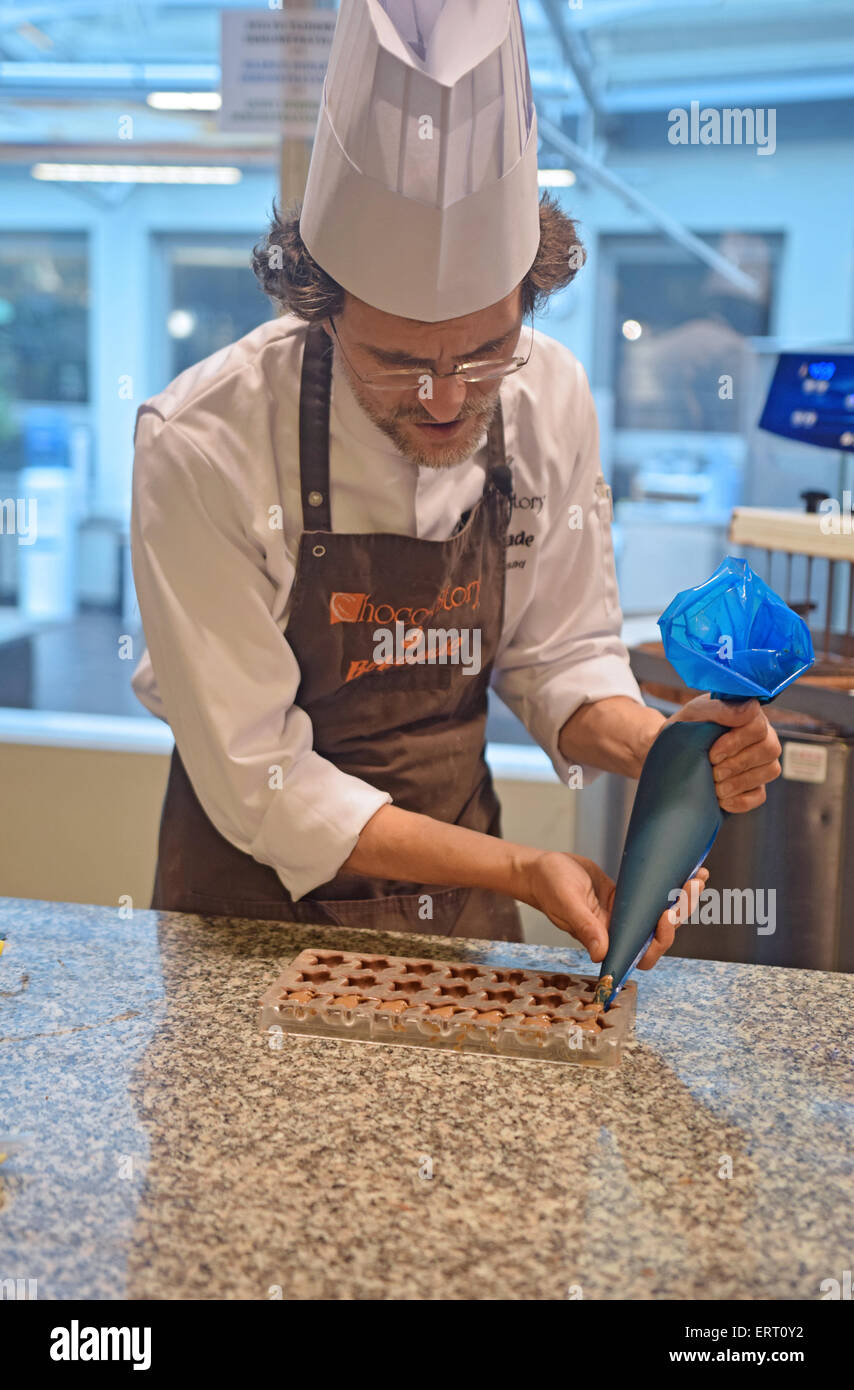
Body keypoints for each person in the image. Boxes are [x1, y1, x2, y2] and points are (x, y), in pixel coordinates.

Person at [130, 0, 780, 960]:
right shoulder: (206, 441)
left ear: (531, 296)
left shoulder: (551, 394)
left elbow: (557, 653)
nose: (443, 400)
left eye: (485, 352)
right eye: (397, 361)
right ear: (323, 307)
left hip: (462, 912)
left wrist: (661, 748)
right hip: (250, 922)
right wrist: (517, 868)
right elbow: (260, 780)